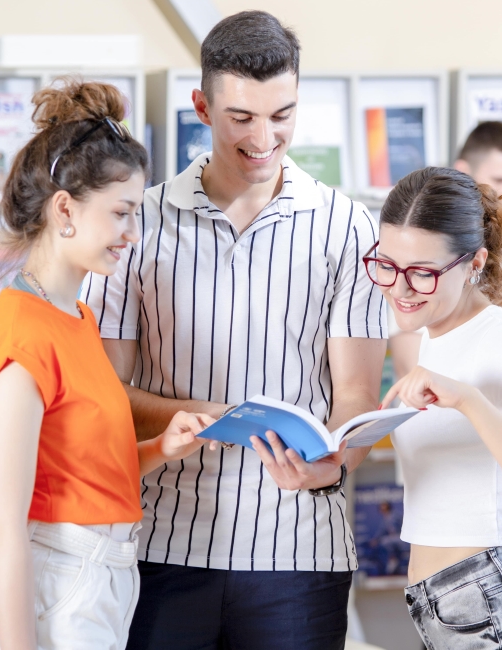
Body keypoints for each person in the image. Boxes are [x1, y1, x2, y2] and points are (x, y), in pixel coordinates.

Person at [85, 11, 386, 650]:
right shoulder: (137, 223)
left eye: (282, 115)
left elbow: (357, 398)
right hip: (165, 545)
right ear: (201, 105)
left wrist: (333, 467)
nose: (264, 138)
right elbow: (106, 394)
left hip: (302, 553)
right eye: (241, 118)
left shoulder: (348, 228)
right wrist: (209, 414)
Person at [0, 80, 215, 650]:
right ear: (65, 209)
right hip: (56, 586)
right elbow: (5, 526)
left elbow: (80, 477)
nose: (131, 233)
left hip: (98, 578)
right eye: (122, 213)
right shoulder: (24, 336)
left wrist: (160, 450)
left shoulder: (75, 317)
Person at [373, 166, 502, 649]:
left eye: (423, 273)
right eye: (386, 265)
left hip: (492, 602)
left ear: (474, 262)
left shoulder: (501, 341)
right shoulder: (426, 339)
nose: (400, 288)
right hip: (442, 609)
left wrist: (469, 400)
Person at [389, 121, 502, 380]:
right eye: (500, 179)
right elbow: (409, 361)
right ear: (464, 170)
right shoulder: (418, 241)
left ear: (478, 263)